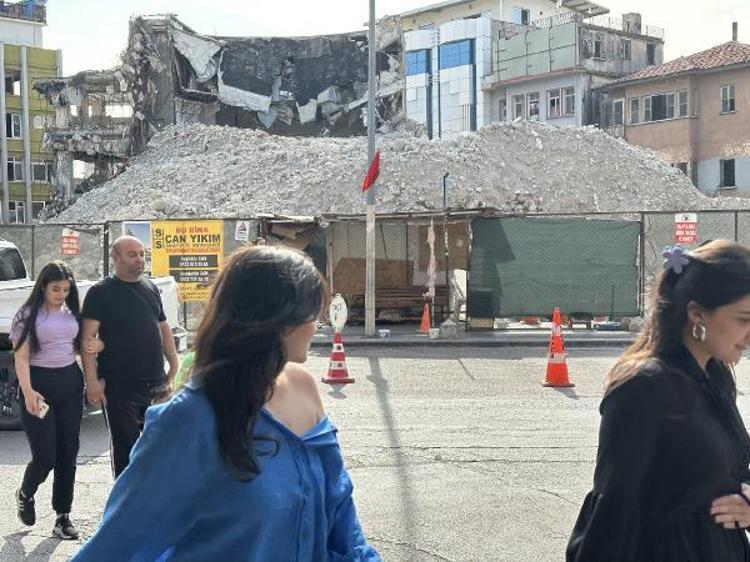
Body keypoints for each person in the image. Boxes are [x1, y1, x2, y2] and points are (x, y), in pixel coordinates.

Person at [72, 245, 380, 561]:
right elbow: (119, 542)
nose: (317, 324)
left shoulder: (303, 386)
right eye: (312, 312)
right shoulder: (189, 417)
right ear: (278, 318)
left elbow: (341, 511)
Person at [567, 240, 750, 562]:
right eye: (744, 318)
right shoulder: (644, 387)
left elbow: (730, 469)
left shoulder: (714, 377)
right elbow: (613, 508)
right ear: (697, 313)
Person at [12, 262, 101, 540]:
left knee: (68, 452)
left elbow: (86, 344)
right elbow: (21, 358)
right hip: (39, 386)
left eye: (66, 289)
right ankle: (25, 493)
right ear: (43, 287)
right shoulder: (27, 315)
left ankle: (62, 516)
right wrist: (28, 391)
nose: (62, 294)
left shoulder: (72, 313)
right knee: (45, 457)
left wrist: (96, 346)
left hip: (70, 384)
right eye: (56, 289)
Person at [80, 235, 179, 478]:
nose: (139, 259)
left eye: (142, 254)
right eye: (132, 254)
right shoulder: (100, 292)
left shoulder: (150, 288)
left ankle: (153, 499)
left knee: (159, 450)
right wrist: (91, 382)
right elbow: (88, 338)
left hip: (156, 384)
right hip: (120, 388)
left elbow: (163, 326)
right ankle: (125, 500)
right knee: (127, 454)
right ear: (116, 258)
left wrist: (173, 362)